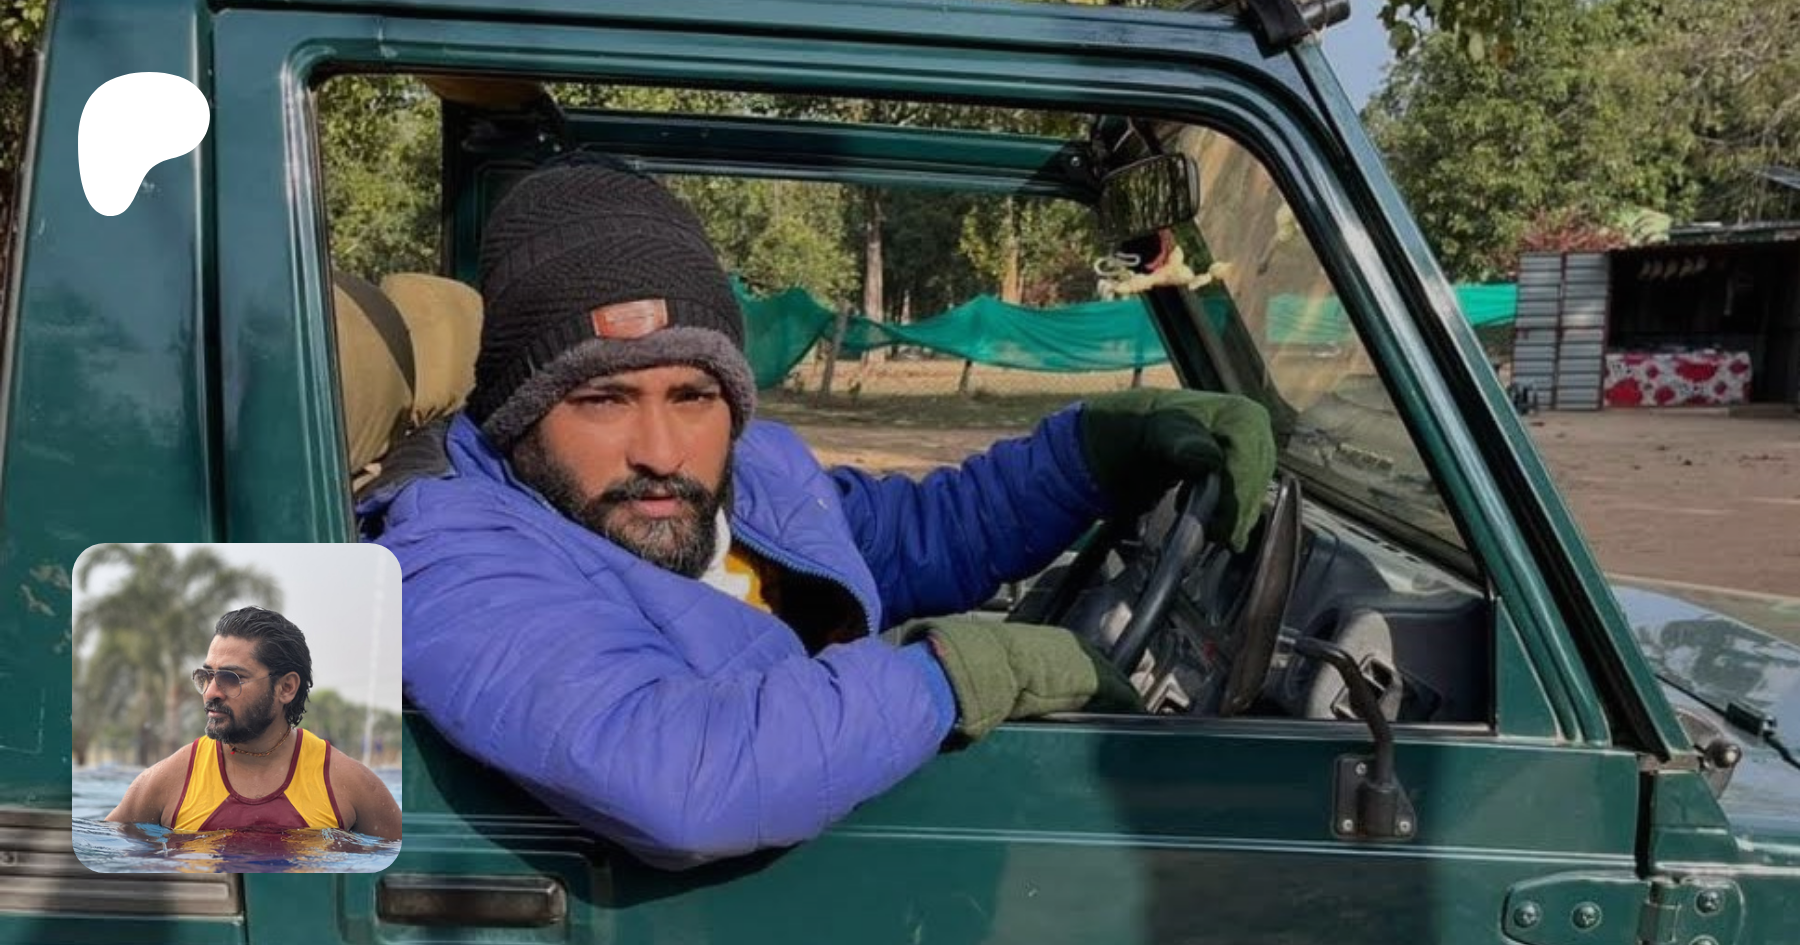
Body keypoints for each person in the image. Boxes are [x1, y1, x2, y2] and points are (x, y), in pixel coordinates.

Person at [358, 162, 1275, 870]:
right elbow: (678, 777)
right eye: (603, 400)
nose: (663, 451)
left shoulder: (747, 466)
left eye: (693, 394)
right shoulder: (448, 551)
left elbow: (906, 539)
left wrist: (1089, 451)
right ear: (519, 414)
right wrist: (950, 674)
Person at [105, 606, 403, 841]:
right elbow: (102, 858)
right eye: (206, 676)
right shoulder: (167, 781)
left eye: (231, 678)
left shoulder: (349, 785)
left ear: (286, 688)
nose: (211, 692)